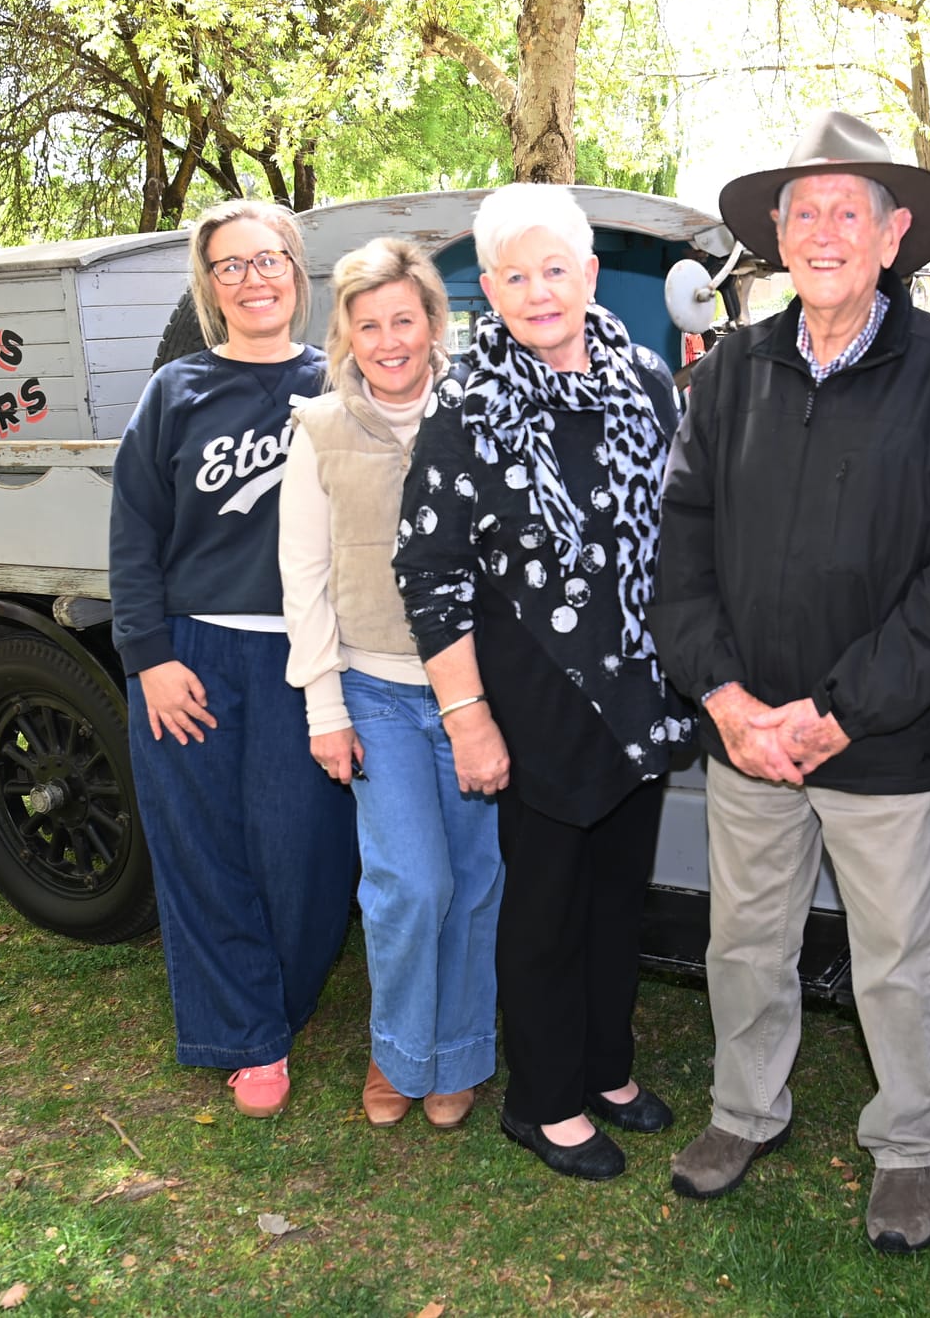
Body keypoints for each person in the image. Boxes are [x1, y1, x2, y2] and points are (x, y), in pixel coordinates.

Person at [651, 110, 930, 1253]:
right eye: (804, 212)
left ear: (892, 237)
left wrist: (842, 710)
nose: (824, 229)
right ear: (777, 238)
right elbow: (680, 549)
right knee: (743, 945)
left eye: (849, 210)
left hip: (883, 739)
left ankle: (905, 1147)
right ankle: (744, 1112)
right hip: (746, 737)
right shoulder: (731, 368)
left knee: (896, 960)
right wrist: (728, 702)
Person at [392, 183, 687, 1181]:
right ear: (490, 289)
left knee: (616, 897)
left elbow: (680, 525)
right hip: (532, 693)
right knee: (546, 907)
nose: (536, 289)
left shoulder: (645, 377)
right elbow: (426, 572)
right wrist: (467, 717)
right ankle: (541, 1097)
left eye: (553, 268)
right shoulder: (465, 400)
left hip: (637, 690)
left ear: (588, 275)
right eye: (512, 275)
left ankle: (605, 1066)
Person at [109, 199, 357, 1120]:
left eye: (268, 260)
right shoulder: (175, 390)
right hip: (194, 652)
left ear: (297, 270)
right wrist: (150, 658)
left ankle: (281, 999)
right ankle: (246, 1033)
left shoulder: (341, 381)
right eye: (231, 266)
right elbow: (134, 533)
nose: (253, 279)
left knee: (306, 853)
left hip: (310, 654)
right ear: (209, 286)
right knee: (203, 850)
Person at [279, 239, 505, 1132]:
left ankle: (457, 1055)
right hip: (376, 691)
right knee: (411, 882)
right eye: (368, 324)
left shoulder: (483, 414)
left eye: (403, 320)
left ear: (432, 322)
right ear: (346, 333)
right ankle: (400, 1048)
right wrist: (323, 708)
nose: (388, 340)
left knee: (476, 879)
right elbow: (304, 579)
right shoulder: (321, 429)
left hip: (478, 695)